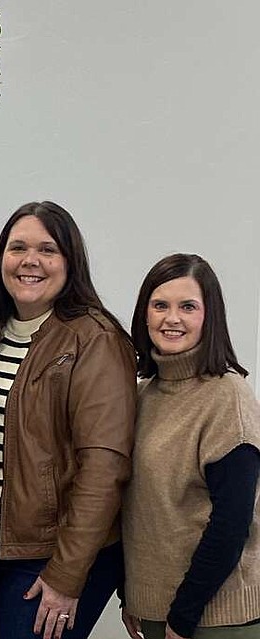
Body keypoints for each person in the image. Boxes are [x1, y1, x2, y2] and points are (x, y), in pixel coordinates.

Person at [0, 201, 137, 639]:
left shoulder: (96, 340)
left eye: (48, 249)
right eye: (18, 247)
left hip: (52, 555)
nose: (30, 261)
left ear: (69, 261)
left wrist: (66, 573)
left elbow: (105, 467)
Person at [121, 254, 260, 639]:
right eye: (160, 305)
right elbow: (138, 508)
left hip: (215, 618)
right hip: (157, 613)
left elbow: (231, 525)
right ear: (144, 314)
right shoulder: (141, 395)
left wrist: (182, 617)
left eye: (188, 307)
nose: (172, 319)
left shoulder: (227, 396)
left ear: (209, 316)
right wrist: (130, 595)